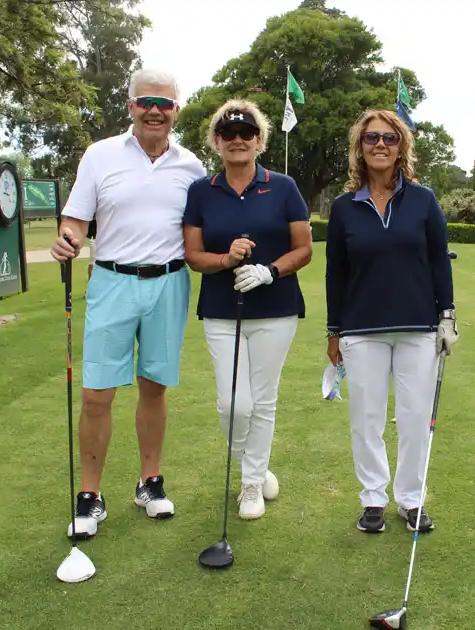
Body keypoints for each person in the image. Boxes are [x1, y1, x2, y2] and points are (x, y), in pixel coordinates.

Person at [50, 68, 206, 539]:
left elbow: (199, 229)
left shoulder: (192, 165)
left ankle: (149, 483)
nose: (155, 111)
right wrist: (68, 239)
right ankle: (90, 494)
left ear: (176, 110)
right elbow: (75, 220)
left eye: (165, 103)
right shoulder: (100, 156)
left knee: (154, 387)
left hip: (168, 283)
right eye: (146, 102)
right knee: (97, 392)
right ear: (131, 107)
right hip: (113, 281)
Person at [325, 109, 458, 534]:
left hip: (418, 327)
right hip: (362, 330)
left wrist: (447, 315)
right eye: (371, 139)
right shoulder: (344, 207)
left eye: (390, 138)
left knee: (416, 417)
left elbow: (439, 260)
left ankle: (412, 499)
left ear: (402, 148)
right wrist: (334, 330)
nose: (380, 145)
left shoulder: (423, 200)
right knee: (366, 418)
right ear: (359, 149)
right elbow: (336, 273)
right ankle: (373, 499)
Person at [183, 100, 313, 521]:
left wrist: (269, 272)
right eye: (228, 133)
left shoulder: (284, 187)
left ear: (259, 140)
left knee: (263, 400)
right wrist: (226, 260)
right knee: (233, 405)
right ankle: (249, 462)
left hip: (275, 308)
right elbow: (193, 255)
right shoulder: (202, 190)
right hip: (222, 309)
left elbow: (304, 249)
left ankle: (252, 482)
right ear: (217, 142)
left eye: (246, 133)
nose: (237, 140)